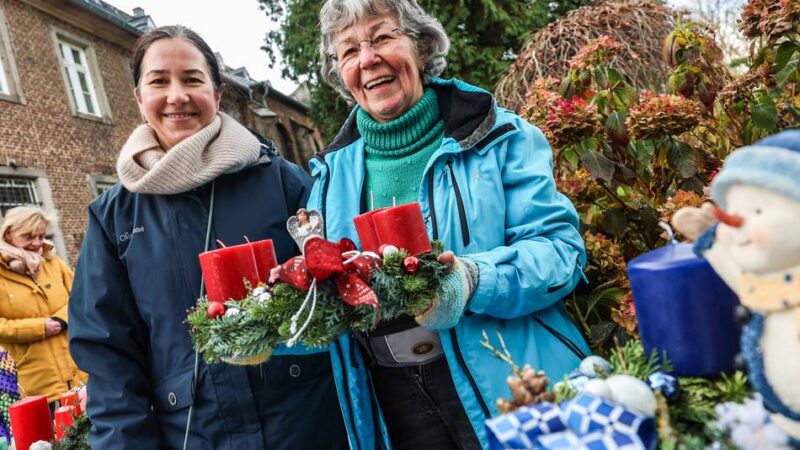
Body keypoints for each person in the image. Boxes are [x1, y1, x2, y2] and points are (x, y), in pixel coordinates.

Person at [310, 0, 591, 448]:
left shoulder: (499, 137)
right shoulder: (327, 176)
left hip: (510, 378)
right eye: (348, 50)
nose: (367, 60)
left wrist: (473, 280)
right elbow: (327, 299)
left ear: (421, 48)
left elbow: (561, 253)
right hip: (392, 403)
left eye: (383, 37)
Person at [68, 26, 348, 449]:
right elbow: (109, 358)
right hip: (195, 436)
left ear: (217, 95)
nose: (176, 95)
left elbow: (338, 297)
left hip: (308, 426)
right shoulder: (114, 216)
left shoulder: (283, 183)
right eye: (159, 81)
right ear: (139, 98)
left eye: (192, 79)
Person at [0, 207, 86, 414]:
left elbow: (82, 296)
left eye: (41, 236)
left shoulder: (53, 263)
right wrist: (40, 327)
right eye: (28, 236)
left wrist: (61, 320)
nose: (37, 243)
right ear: (8, 233)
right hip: (31, 381)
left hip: (77, 372)